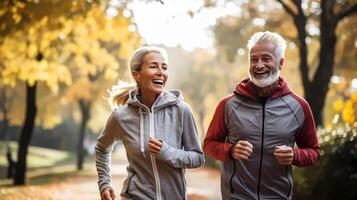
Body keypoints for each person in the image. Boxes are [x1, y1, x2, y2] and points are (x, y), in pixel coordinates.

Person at [203, 31, 320, 200]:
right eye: (253, 59)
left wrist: (295, 155)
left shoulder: (299, 107)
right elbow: (209, 144)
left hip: (278, 196)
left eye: (266, 58)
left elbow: (314, 152)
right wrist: (231, 150)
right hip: (237, 197)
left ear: (280, 63)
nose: (258, 65)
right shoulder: (228, 104)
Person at [95, 46, 205, 200]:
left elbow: (198, 158)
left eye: (164, 67)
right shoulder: (121, 116)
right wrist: (104, 183)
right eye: (153, 66)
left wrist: (168, 152)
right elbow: (102, 148)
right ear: (137, 74)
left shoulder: (181, 110)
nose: (161, 72)